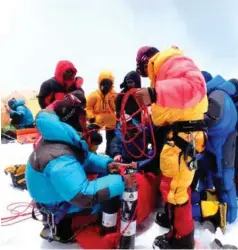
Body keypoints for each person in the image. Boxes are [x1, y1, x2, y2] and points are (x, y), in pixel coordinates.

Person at [25, 90, 136, 243]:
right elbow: (83, 195)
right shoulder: (58, 157)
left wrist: (108, 165)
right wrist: (122, 181)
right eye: (83, 118)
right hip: (57, 205)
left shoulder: (58, 136)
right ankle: (62, 228)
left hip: (56, 194)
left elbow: (85, 158)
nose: (86, 122)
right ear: (74, 120)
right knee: (106, 196)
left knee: (105, 181)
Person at [134, 46, 208, 249]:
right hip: (178, 138)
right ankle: (174, 224)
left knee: (176, 191)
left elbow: (196, 86)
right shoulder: (164, 71)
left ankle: (182, 240)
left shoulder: (171, 62)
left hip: (183, 138)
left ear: (145, 61)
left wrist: (155, 93)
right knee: (172, 187)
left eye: (140, 67)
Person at [192, 72, 238, 233]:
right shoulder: (218, 92)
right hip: (215, 143)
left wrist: (192, 121)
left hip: (222, 143)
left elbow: (213, 117)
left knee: (224, 179)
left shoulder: (217, 94)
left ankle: (230, 218)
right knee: (207, 176)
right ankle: (211, 211)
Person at [86, 70, 117, 155]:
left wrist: (111, 100)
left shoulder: (114, 95)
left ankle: (111, 152)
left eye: (108, 83)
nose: (106, 85)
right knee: (92, 134)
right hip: (97, 119)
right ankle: (91, 151)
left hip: (111, 119)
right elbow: (88, 107)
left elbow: (116, 108)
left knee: (112, 137)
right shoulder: (93, 95)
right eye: (104, 83)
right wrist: (91, 116)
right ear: (100, 83)